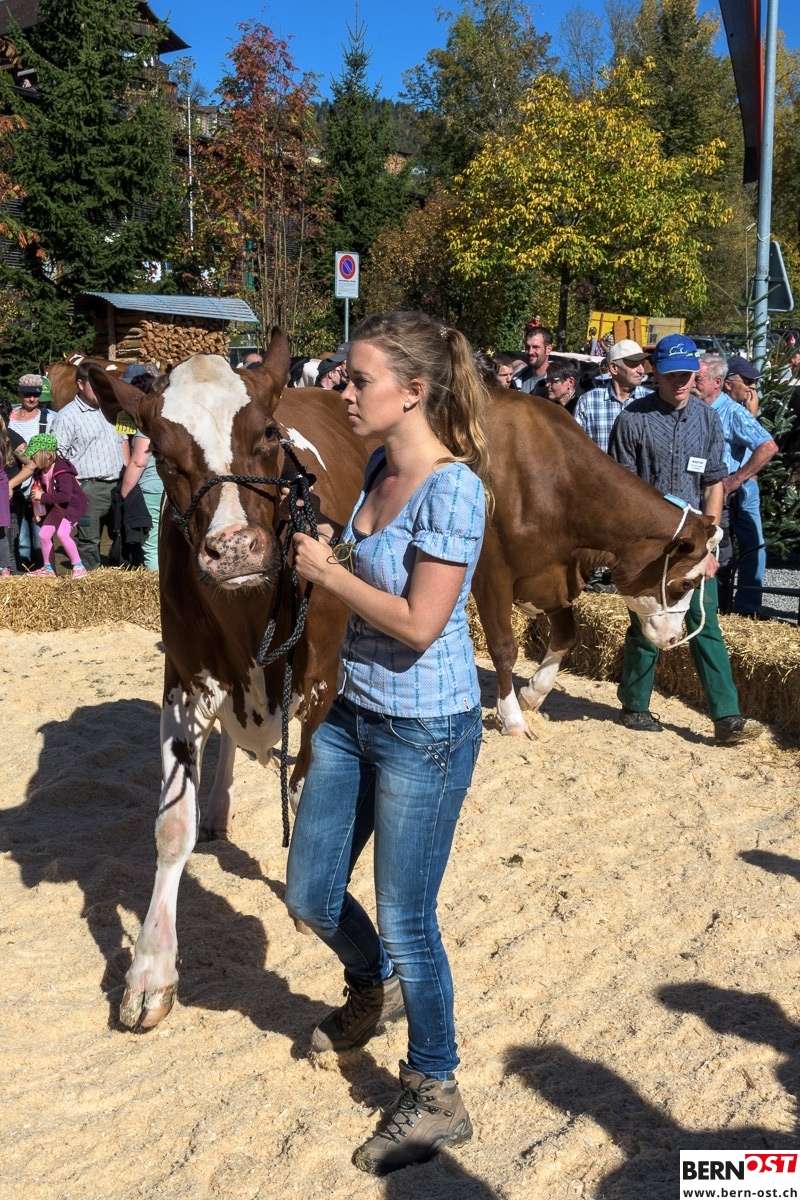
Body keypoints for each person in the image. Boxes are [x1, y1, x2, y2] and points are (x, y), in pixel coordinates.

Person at [284, 310, 489, 1176]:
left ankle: (437, 1091)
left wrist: (331, 574)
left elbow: (419, 622)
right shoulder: (375, 465)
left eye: (357, 378)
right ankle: (372, 988)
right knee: (309, 893)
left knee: (408, 918)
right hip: (351, 712)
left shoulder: (454, 489)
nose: (343, 390)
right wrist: (331, 543)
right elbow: (373, 565)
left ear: (413, 392)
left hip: (424, 731)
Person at [608, 334, 763, 745]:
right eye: (672, 374)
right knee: (647, 623)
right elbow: (621, 490)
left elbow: (713, 483)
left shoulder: (708, 420)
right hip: (647, 544)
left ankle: (727, 717)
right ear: (655, 373)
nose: (680, 382)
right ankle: (635, 705)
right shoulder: (633, 420)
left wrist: (707, 546)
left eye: (687, 374)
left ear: (696, 374)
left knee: (704, 621)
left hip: (693, 542)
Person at [695, 354, 778, 616]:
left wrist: (736, 479)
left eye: (697, 378)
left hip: (730, 491)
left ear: (719, 382)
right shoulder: (695, 407)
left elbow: (767, 446)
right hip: (702, 491)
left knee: (740, 547)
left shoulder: (732, 412)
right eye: (748, 381)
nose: (753, 387)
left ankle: (744, 608)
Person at [51, 360, 125, 570]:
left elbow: (123, 441)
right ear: (80, 384)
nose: (100, 389)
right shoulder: (67, 416)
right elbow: (57, 456)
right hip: (88, 487)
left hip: (118, 486)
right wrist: (73, 484)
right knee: (89, 540)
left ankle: (117, 579)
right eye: (95, 384)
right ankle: (91, 579)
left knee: (121, 534)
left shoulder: (111, 410)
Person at [22, 433, 89, 578]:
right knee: (43, 535)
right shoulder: (41, 471)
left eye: (34, 455)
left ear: (47, 455)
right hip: (58, 506)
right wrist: (38, 512)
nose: (31, 458)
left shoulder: (62, 472)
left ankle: (79, 566)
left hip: (72, 506)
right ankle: (48, 569)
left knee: (62, 534)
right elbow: (40, 494)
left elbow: (65, 496)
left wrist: (42, 497)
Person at [7, 373, 56, 570]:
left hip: (40, 486)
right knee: (20, 540)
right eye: (27, 394)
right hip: (15, 487)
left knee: (41, 536)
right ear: (19, 393)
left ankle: (46, 573)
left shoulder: (50, 419)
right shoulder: (8, 419)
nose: (32, 399)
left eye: (36, 394)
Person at [118, 369, 163, 571]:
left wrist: (125, 491)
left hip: (152, 489)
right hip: (174, 488)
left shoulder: (149, 422)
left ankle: (156, 586)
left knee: (152, 545)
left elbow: (138, 461)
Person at [573, 339, 650, 453]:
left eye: (642, 364)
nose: (641, 370)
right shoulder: (588, 402)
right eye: (634, 365)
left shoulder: (651, 401)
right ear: (614, 368)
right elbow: (576, 446)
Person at [514, 324, 552, 395]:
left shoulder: (558, 384)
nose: (530, 352)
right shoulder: (515, 381)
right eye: (527, 347)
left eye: (536, 347)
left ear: (548, 349)